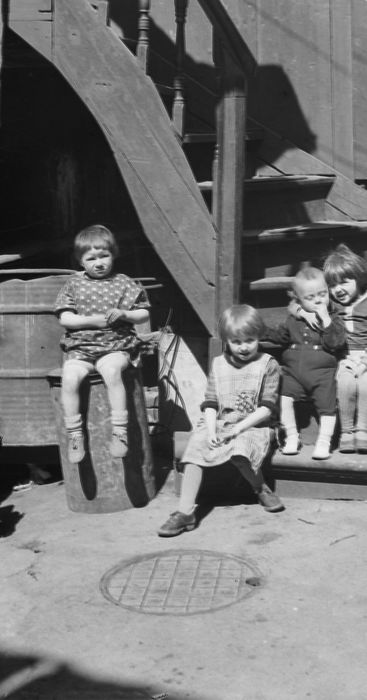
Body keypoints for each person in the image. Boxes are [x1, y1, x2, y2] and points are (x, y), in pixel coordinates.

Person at [158, 305, 284, 537]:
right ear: (227, 341)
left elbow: (267, 408)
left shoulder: (269, 365)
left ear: (259, 337)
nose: (243, 347)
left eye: (249, 340)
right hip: (220, 421)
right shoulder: (218, 364)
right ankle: (185, 513)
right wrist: (211, 428)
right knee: (196, 447)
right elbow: (211, 402)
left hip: (254, 424)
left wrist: (236, 429)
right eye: (236, 341)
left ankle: (260, 488)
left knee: (240, 451)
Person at [53, 225, 150, 463]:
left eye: (104, 256)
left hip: (116, 345)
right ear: (80, 261)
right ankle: (75, 436)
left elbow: (144, 314)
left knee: (111, 370)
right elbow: (64, 317)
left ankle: (120, 431)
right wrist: (92, 321)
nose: (99, 263)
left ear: (113, 254)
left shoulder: (124, 283)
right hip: (81, 347)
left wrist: (125, 314)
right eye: (91, 258)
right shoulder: (74, 284)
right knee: (70, 378)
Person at [261, 267, 347, 459]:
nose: (318, 300)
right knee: (283, 399)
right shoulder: (294, 318)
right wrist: (261, 331)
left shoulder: (334, 318)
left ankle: (324, 441)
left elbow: (335, 343)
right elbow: (282, 336)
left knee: (327, 405)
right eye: (310, 297)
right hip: (294, 373)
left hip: (322, 373)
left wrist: (326, 320)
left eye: (322, 294)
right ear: (298, 300)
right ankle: (291, 435)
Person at [323, 243, 367, 454]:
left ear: (358, 278)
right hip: (345, 357)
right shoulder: (331, 302)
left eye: (344, 282)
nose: (338, 289)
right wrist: (302, 312)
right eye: (332, 285)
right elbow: (301, 301)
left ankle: (363, 431)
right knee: (345, 382)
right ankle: (346, 431)